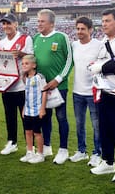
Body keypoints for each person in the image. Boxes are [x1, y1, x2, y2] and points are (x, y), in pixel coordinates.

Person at [88, 8, 115, 184]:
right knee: (105, 130)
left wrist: (101, 67)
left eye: (108, 21)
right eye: (103, 21)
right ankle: (107, 162)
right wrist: (95, 66)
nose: (104, 24)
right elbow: (101, 61)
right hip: (104, 91)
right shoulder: (105, 40)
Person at [33, 9, 73, 164]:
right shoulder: (35, 38)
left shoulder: (61, 37)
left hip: (58, 86)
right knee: (45, 117)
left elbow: (70, 60)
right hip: (42, 87)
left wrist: (58, 79)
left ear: (51, 23)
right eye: (38, 21)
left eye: (42, 21)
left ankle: (63, 150)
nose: (39, 24)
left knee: (61, 117)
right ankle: (47, 146)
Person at [0, 13, 34, 155]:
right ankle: (12, 142)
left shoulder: (25, 39)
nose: (6, 26)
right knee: (9, 116)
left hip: (22, 85)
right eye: (4, 24)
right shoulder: (1, 43)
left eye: (9, 23)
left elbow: (31, 58)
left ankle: (30, 147)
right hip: (7, 85)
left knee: (26, 117)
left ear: (16, 24)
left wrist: (21, 54)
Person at [69, 16, 102, 167]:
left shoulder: (99, 45)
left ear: (91, 30)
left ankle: (98, 153)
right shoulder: (74, 45)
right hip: (77, 92)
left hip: (93, 92)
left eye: (83, 29)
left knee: (96, 125)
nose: (80, 32)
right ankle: (81, 151)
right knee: (79, 123)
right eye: (78, 29)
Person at [20, 55, 46, 164]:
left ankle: (40, 154)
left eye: (27, 63)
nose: (24, 65)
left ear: (34, 65)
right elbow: (26, 94)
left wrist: (42, 108)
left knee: (37, 133)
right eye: (23, 63)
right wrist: (24, 108)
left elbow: (44, 92)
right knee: (27, 132)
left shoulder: (39, 77)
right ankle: (30, 151)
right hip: (28, 110)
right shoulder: (25, 78)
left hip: (37, 110)